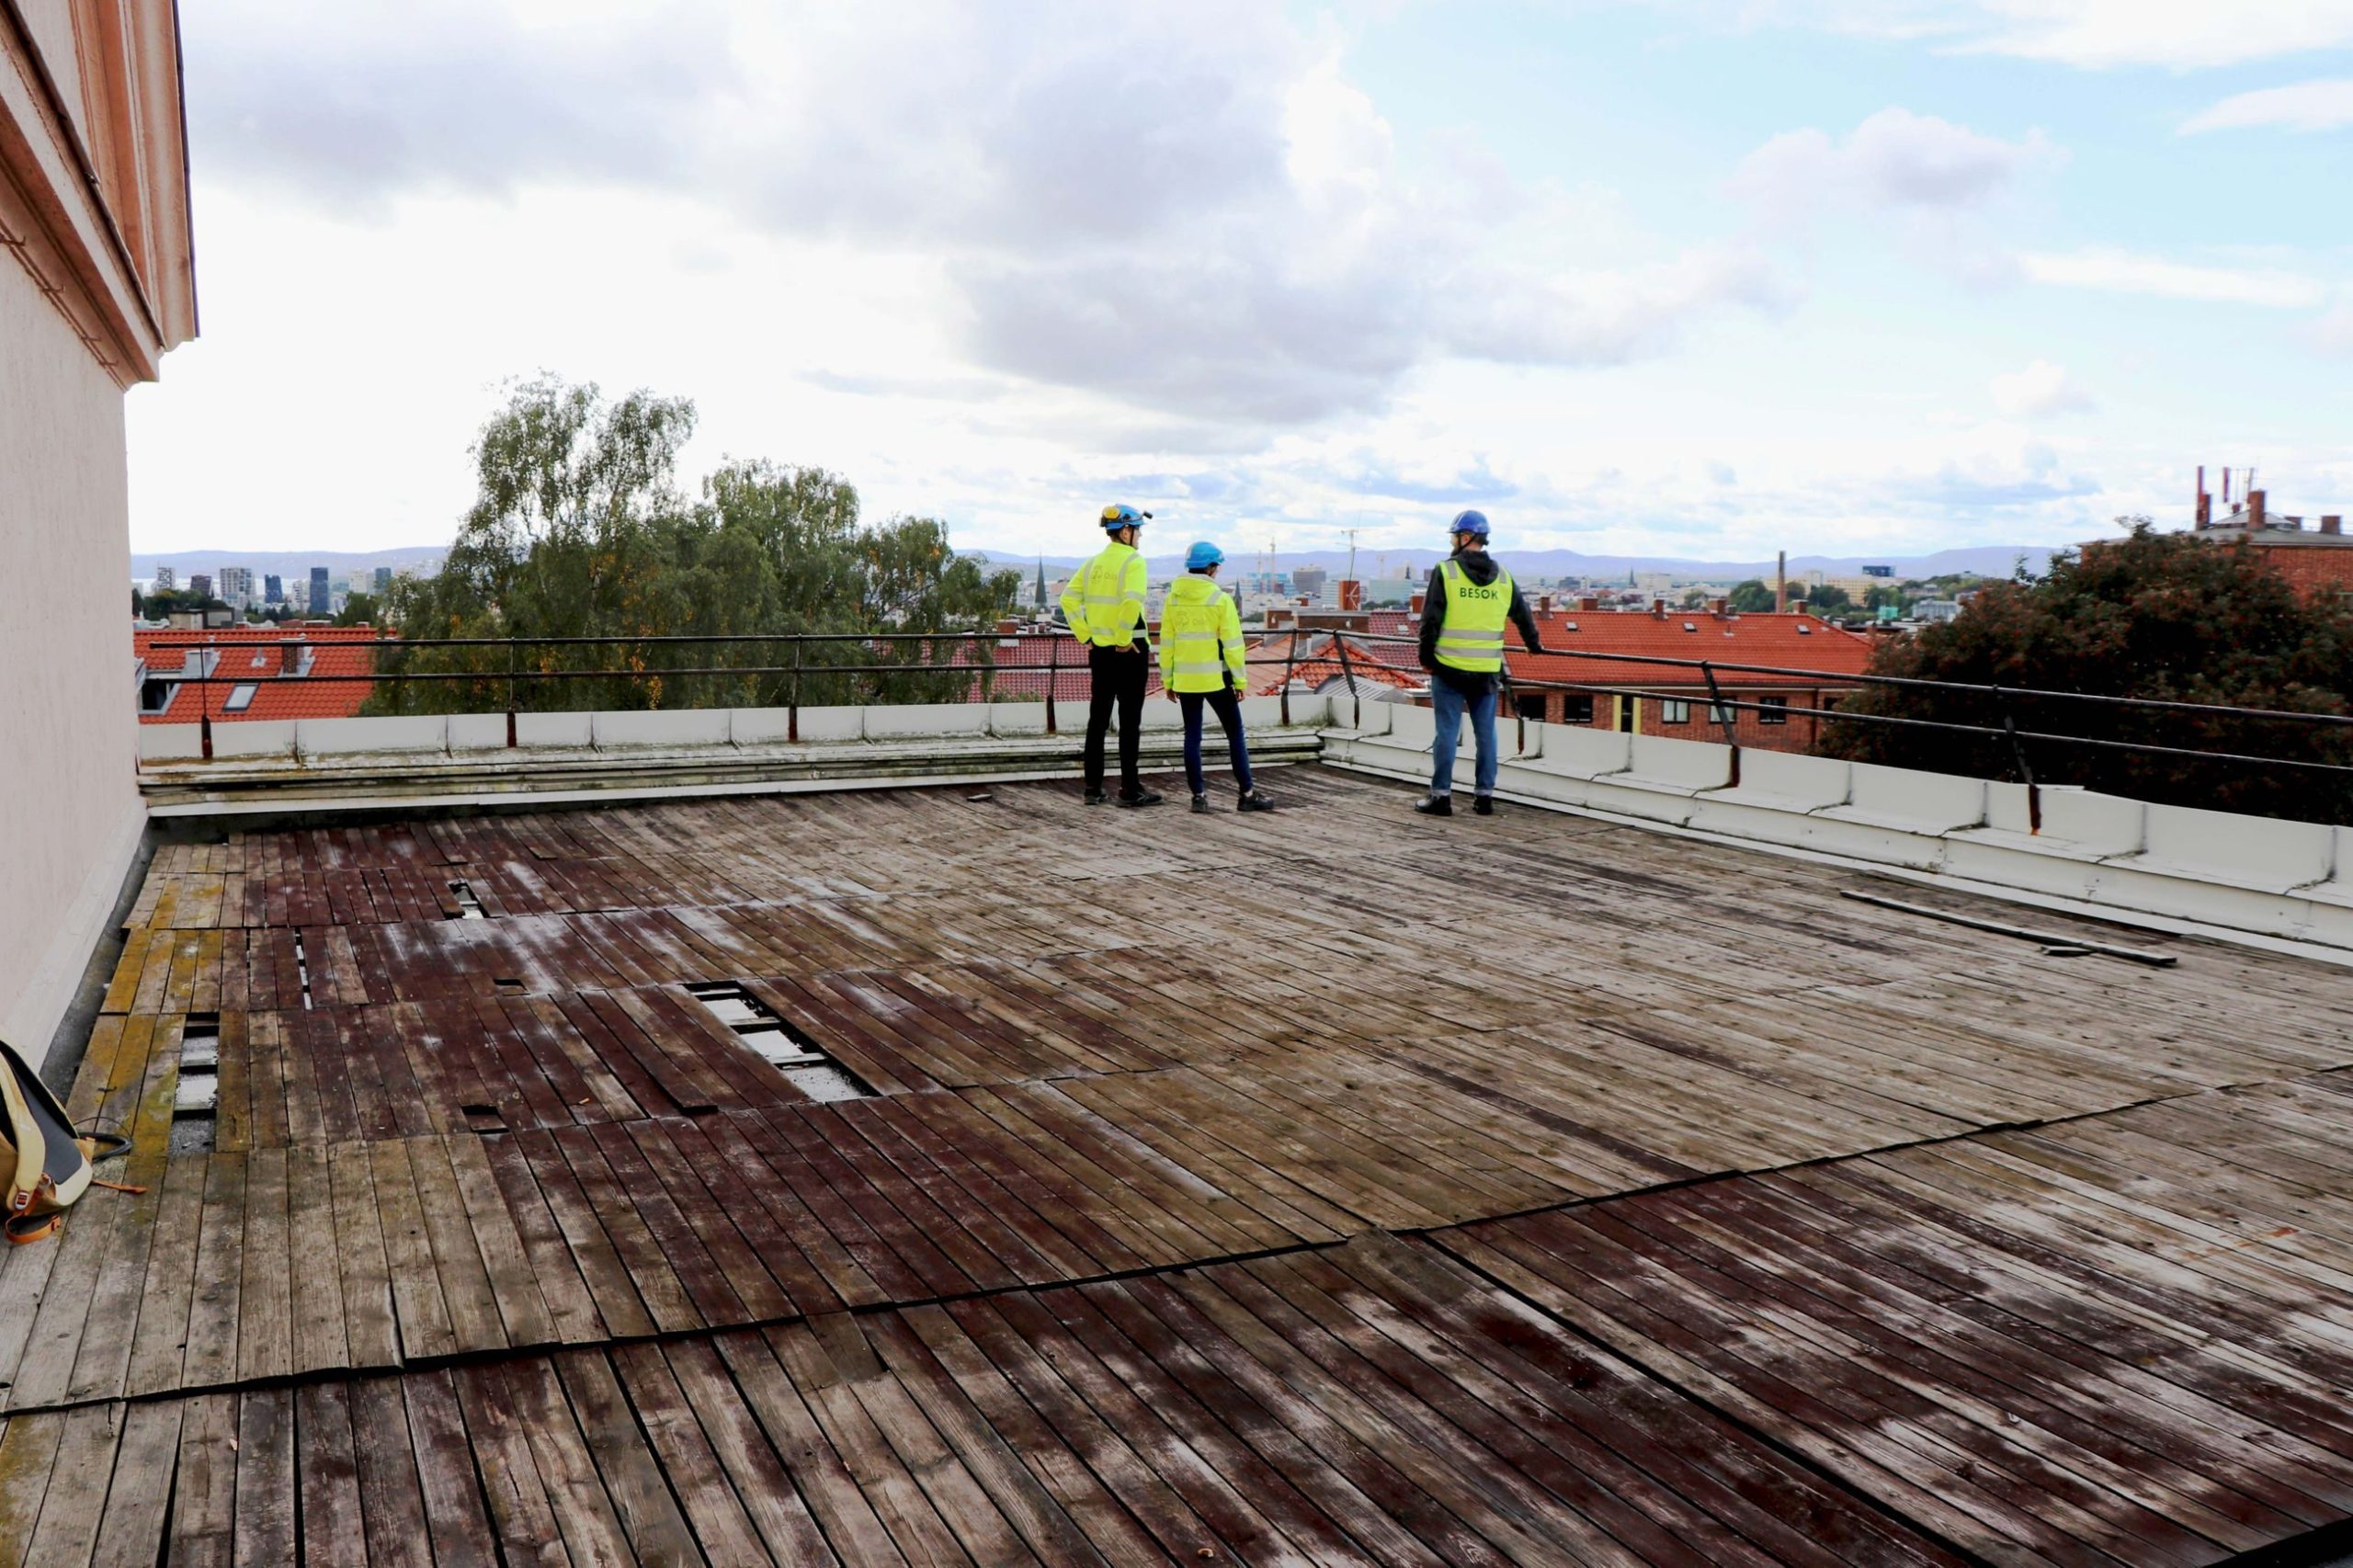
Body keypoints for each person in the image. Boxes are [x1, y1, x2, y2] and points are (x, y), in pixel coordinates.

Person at [1415, 508, 1544, 817]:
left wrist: (1425, 658)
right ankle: (1484, 797)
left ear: (1465, 537)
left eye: (1454, 536)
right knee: (1486, 733)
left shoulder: (1446, 572)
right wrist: (1533, 645)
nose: (1452, 541)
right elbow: (1523, 615)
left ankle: (1441, 797)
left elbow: (1430, 620)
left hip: (1448, 668)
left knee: (1447, 732)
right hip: (1486, 671)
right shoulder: (1503, 577)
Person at [1159, 542, 1276, 813]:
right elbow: (1234, 645)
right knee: (1234, 734)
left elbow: (1167, 644)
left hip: (1185, 680)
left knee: (1192, 737)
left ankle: (1198, 797)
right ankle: (1247, 794)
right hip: (1217, 678)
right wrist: (1240, 681)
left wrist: (1168, 681)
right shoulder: (1220, 600)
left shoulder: (1172, 599)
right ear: (1211, 568)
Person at [1060, 504, 1162, 806]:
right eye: (1138, 530)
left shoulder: (1093, 563)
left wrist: (1086, 636)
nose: (1140, 536)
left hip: (1101, 652)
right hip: (1129, 650)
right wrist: (1123, 640)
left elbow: (1068, 599)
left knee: (1098, 720)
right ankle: (1130, 789)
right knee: (1129, 722)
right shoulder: (1134, 561)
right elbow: (1131, 604)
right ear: (1126, 531)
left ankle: (1092, 788)